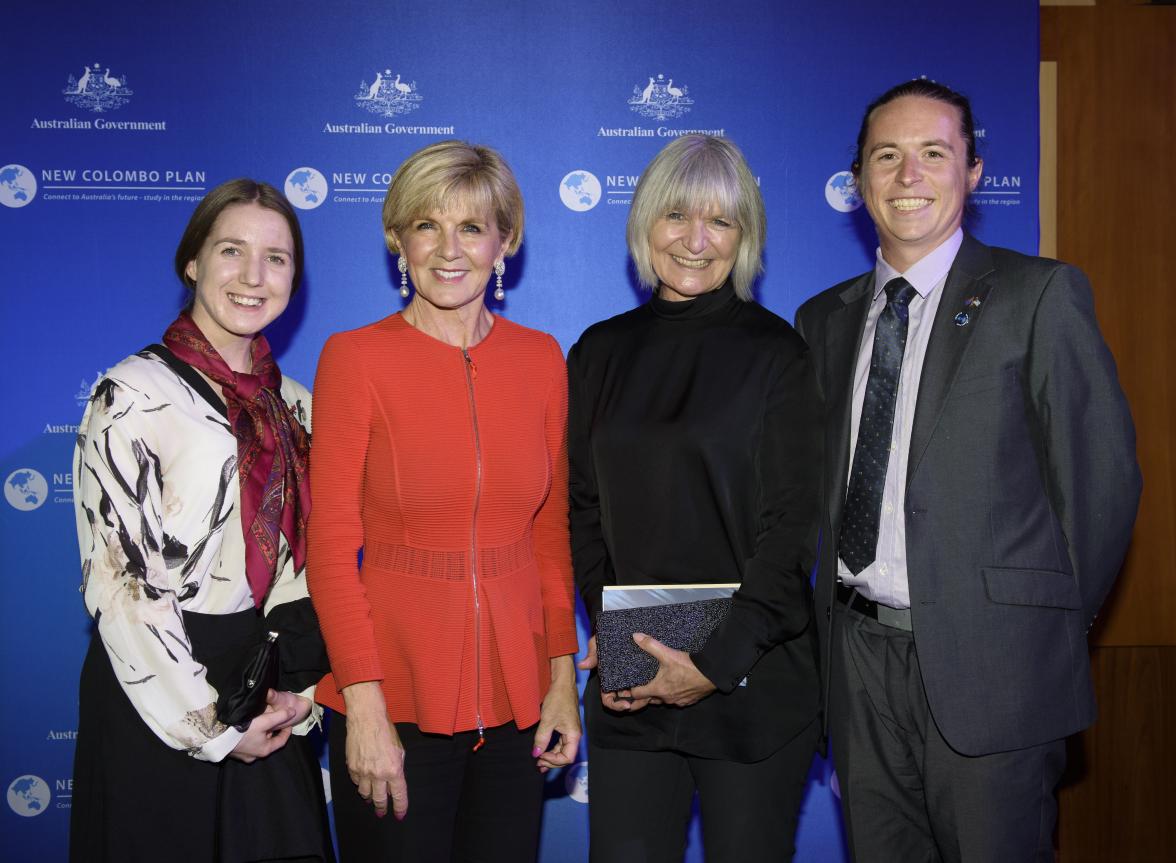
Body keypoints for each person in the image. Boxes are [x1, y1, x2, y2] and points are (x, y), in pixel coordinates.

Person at [794, 79, 1141, 862]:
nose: (908, 176)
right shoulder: (823, 320)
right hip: (854, 664)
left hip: (996, 672)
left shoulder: (1039, 294)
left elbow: (1102, 485)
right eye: (887, 156)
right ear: (859, 180)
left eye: (933, 154)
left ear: (973, 171)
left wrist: (1036, 631)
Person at [307, 140, 580, 863]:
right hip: (392, 694)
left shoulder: (542, 358)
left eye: (472, 227)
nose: (449, 249)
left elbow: (549, 537)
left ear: (506, 240)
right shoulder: (355, 357)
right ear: (399, 240)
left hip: (518, 699)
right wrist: (363, 706)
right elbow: (330, 546)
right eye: (427, 225)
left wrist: (562, 680)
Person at [569, 135, 822, 862]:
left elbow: (791, 530)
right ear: (646, 221)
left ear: (745, 239)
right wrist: (622, 645)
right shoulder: (598, 351)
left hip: (752, 687)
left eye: (722, 222)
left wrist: (712, 663)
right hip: (634, 684)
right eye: (677, 215)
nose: (696, 240)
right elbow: (581, 509)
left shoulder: (780, 355)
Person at [70, 179, 333, 862]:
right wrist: (210, 726)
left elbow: (308, 564)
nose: (253, 276)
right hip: (157, 692)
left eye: (276, 258)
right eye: (231, 251)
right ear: (192, 262)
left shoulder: (296, 406)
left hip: (263, 688)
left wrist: (297, 690)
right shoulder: (132, 393)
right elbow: (123, 582)